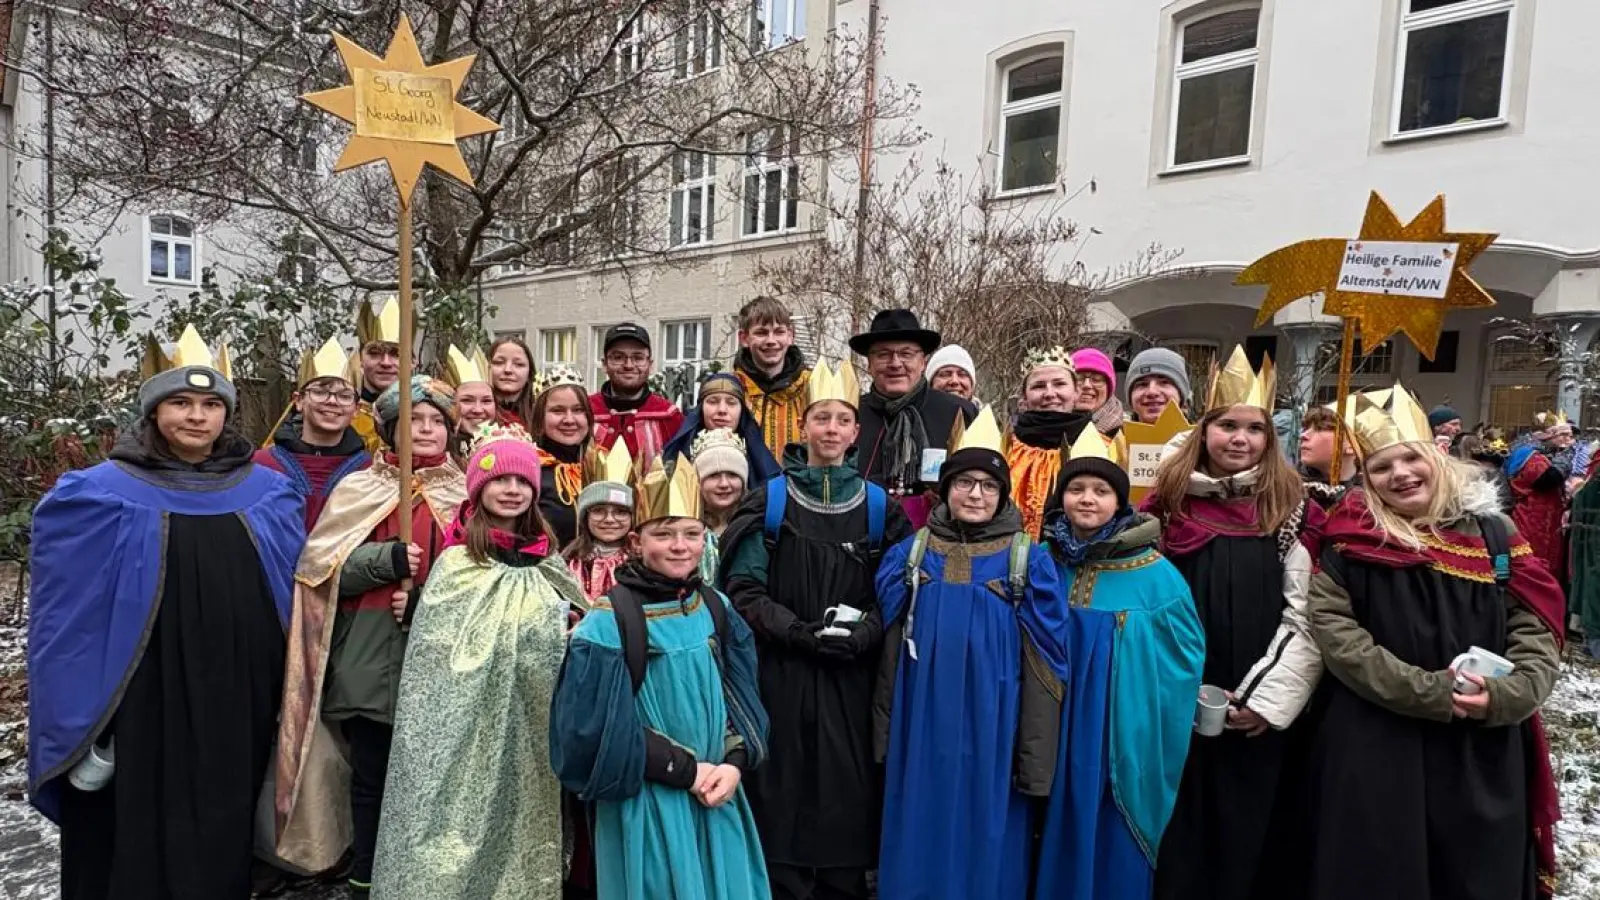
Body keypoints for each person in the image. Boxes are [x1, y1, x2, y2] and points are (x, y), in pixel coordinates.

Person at [29, 326, 305, 900]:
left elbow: (295, 586)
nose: (197, 416)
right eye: (180, 403)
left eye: (210, 405)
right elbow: (66, 616)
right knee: (138, 807)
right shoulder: (95, 495)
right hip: (139, 690)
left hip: (237, 688)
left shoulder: (267, 492)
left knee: (225, 802)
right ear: (153, 413)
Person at [1301, 385, 1562, 899]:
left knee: (1473, 873)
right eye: (1381, 467)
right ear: (1367, 481)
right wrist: (1425, 691)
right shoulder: (1350, 538)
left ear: (1436, 456)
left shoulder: (1494, 533)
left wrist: (1511, 694)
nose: (1400, 474)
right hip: (1375, 738)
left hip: (1479, 738)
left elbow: (1534, 625)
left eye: (1409, 458)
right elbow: (1336, 632)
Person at [718, 358, 912, 900]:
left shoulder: (880, 510)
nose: (830, 429)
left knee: (848, 792)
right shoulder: (772, 501)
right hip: (782, 670)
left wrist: (868, 633)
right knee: (781, 787)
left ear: (856, 431)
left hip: (853, 676)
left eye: (841, 419)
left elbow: (898, 588)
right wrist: (798, 632)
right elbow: (745, 589)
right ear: (802, 427)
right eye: (820, 418)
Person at [371, 424, 586, 899]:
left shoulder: (547, 558)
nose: (511, 491)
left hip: (529, 718)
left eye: (521, 483)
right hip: (463, 726)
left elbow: (572, 620)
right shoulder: (456, 565)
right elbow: (438, 659)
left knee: (521, 809)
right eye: (499, 480)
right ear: (477, 487)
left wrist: (569, 628)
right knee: (456, 817)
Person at [273, 375, 468, 893]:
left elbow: (483, 572)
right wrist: (386, 561)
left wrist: (427, 591)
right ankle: (365, 873)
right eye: (413, 421)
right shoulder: (361, 488)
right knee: (372, 774)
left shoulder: (467, 491)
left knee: (431, 775)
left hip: (441, 654)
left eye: (435, 422)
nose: (425, 430)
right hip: (368, 653)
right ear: (389, 429)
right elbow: (319, 569)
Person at [1142, 346, 1323, 900]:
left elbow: (1308, 614)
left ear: (1271, 439)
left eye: (1254, 428)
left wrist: (1264, 701)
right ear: (1204, 430)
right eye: (1226, 425)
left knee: (1245, 822)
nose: (1238, 439)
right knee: (1176, 816)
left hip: (1254, 694)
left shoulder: (1293, 509)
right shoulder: (1169, 505)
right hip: (1174, 690)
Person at [549, 454, 771, 900]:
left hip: (717, 793)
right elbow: (595, 727)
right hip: (649, 799)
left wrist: (734, 764)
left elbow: (742, 697)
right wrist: (686, 770)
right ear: (636, 541)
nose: (678, 546)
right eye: (663, 533)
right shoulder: (608, 622)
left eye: (690, 533)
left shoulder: (715, 608)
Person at [873, 407, 1070, 900]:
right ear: (945, 488)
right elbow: (887, 649)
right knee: (919, 823)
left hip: (995, 723)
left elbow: (1047, 664)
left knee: (988, 831)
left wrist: (1035, 757)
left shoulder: (1030, 560)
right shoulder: (911, 553)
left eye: (988, 484)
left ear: (1003, 492)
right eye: (964, 482)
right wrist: (882, 734)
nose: (976, 494)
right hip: (920, 723)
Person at [1036, 427, 1204, 900]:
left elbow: (1181, 663)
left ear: (1120, 501)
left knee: (1107, 817)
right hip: (1049, 722)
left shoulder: (1156, 575)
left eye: (1101, 490)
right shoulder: (1041, 561)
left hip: (1114, 729)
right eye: (1075, 489)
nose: (1087, 499)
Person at [852, 309, 977, 527]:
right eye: (883, 354)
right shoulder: (850, 413)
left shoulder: (957, 412)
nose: (895, 363)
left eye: (906, 354)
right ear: (869, 364)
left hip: (937, 541)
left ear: (923, 362)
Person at [254, 338, 372, 528]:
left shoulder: (370, 472)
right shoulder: (261, 466)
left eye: (344, 396)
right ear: (299, 401)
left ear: (356, 409)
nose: (332, 402)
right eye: (320, 392)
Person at [1007, 347, 1094, 538]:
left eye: (1059, 384)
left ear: (1077, 392)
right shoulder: (1006, 448)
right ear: (1024, 396)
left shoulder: (1102, 447)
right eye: (1038, 386)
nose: (1049, 393)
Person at [664, 371, 781, 485]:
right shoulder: (676, 461)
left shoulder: (760, 465)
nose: (722, 410)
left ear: (741, 411)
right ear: (701, 409)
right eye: (713, 402)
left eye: (731, 403)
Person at [590, 322, 685, 460]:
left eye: (638, 358)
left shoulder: (670, 418)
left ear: (650, 364)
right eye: (618, 357)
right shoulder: (584, 412)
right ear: (604, 364)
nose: (628, 365)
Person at [734, 296, 813, 460]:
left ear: (790, 336)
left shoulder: (811, 387)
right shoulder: (730, 390)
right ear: (744, 338)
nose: (771, 341)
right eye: (761, 333)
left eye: (779, 332)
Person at [531, 364, 593, 548]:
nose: (569, 419)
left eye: (578, 410)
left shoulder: (601, 466)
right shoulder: (530, 470)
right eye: (557, 411)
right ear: (540, 419)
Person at [569, 440, 637, 603]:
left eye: (621, 512)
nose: (609, 520)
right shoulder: (570, 562)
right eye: (599, 511)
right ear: (586, 517)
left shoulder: (642, 562)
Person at [352, 296, 408, 452]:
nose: (386, 362)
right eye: (375, 353)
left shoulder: (424, 414)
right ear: (360, 359)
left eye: (396, 354)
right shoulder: (341, 412)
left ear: (412, 361)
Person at [444, 343, 499, 441]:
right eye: (467, 400)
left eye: (486, 401)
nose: (478, 410)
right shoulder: (436, 449)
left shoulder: (506, 443)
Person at [1126, 347, 1192, 426]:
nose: (1152, 392)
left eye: (1164, 382)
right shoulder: (1115, 437)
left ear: (1181, 395)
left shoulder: (1204, 437)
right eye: (1142, 384)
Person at [1072, 347, 1125, 437]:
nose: (1087, 385)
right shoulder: (1049, 427)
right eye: (1079, 378)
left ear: (1109, 389)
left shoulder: (1128, 432)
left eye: (1096, 379)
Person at [489, 335, 538, 428]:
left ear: (529, 373)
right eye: (499, 362)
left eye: (519, 364)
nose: (508, 370)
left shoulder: (541, 419)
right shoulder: (474, 415)